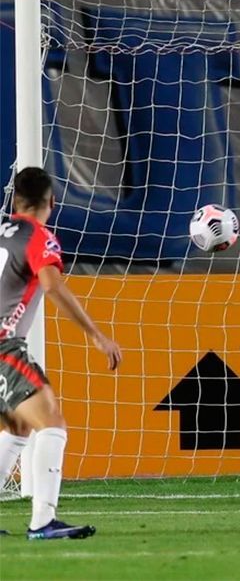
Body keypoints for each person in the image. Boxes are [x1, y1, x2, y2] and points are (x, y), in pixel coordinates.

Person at [0, 167, 122, 540]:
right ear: (51, 202)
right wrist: (97, 336)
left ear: (15, 200)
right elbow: (52, 286)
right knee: (51, 422)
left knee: (16, 426)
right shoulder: (39, 237)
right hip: (4, 344)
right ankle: (42, 522)